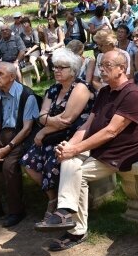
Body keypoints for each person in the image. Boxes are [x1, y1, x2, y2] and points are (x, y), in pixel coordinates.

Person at [36, 50, 138, 250]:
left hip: (120, 152)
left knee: (76, 172)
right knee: (69, 161)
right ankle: (65, 214)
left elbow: (111, 132)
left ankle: (75, 228)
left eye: (107, 66)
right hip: (99, 147)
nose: (101, 70)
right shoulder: (104, 92)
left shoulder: (133, 94)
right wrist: (70, 145)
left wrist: (76, 149)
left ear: (122, 69)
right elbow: (87, 125)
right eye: (100, 65)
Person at [22, 49, 94, 222]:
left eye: (62, 67)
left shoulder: (81, 88)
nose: (56, 70)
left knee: (54, 161)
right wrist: (50, 121)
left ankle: (61, 206)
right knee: (28, 161)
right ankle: (53, 197)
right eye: (55, 67)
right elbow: (41, 116)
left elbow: (68, 120)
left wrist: (45, 128)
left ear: (73, 70)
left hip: (73, 136)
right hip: (53, 136)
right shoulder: (53, 89)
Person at [0, 62, 39, 227]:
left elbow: (27, 129)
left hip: (22, 137)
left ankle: (16, 211)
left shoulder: (27, 95)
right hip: (2, 136)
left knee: (9, 166)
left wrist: (8, 148)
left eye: (0, 74)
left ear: (12, 77)